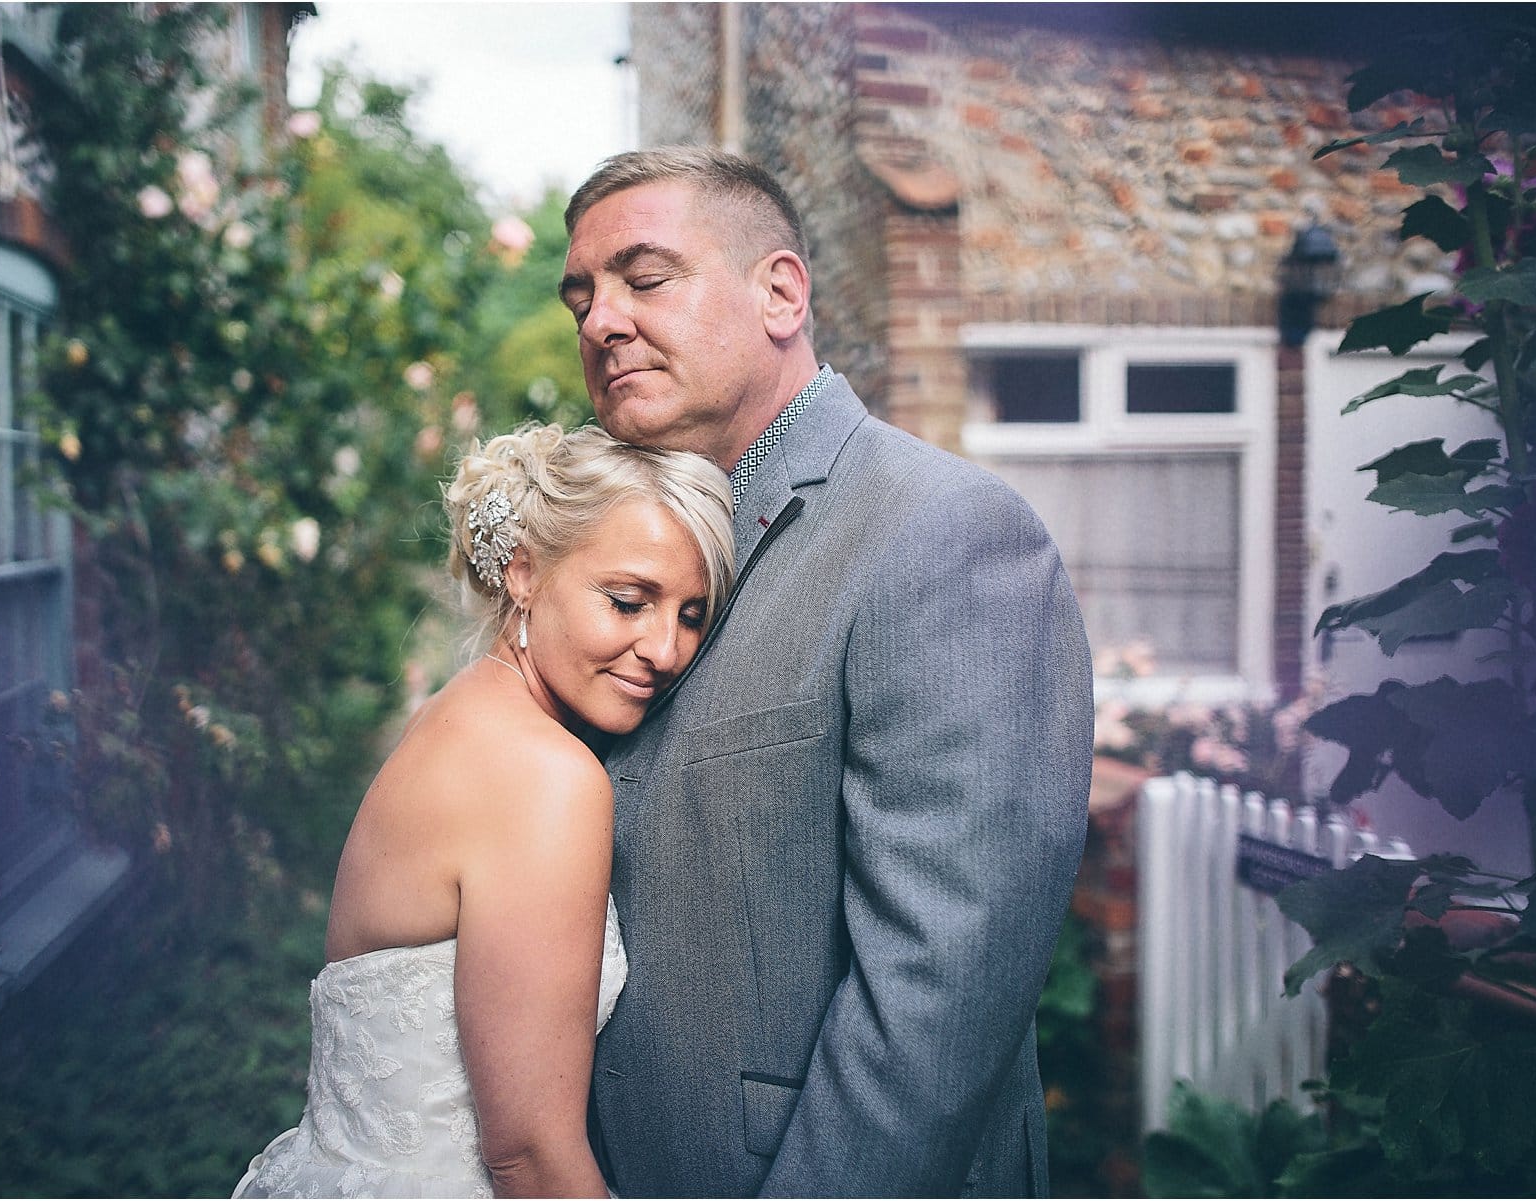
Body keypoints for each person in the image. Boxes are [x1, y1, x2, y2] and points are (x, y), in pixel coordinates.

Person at [559, 147, 1095, 1196]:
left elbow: (938, 992)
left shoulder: (942, 533)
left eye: (643, 277)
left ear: (781, 291)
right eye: (581, 294)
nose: (600, 320)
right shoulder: (645, 547)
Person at [234, 423, 735, 1199]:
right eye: (629, 601)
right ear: (527, 573)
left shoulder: (459, 712)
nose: (665, 648)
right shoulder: (544, 776)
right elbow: (528, 1153)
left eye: (692, 614)